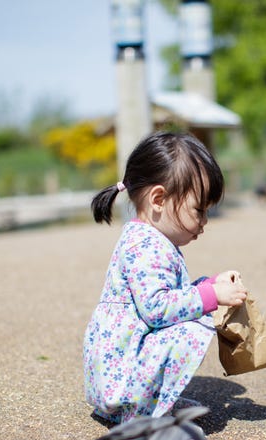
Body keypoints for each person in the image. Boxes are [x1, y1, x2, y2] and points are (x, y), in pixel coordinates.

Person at [83, 131, 248, 424]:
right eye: (199, 210)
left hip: (122, 366)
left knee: (194, 313)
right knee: (192, 328)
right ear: (159, 198)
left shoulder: (149, 238)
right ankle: (140, 415)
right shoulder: (146, 246)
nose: (205, 222)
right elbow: (158, 309)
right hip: (121, 374)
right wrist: (212, 298)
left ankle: (156, 401)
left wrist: (211, 285)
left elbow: (173, 295)